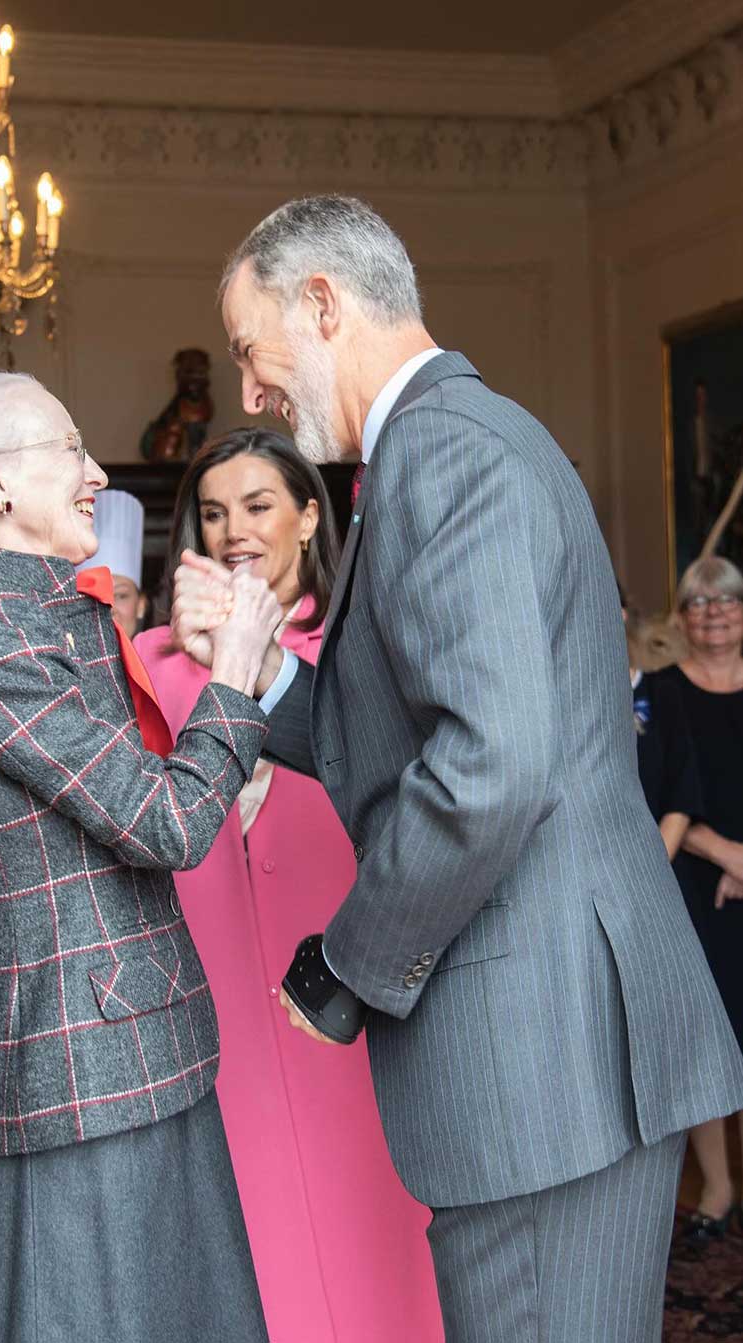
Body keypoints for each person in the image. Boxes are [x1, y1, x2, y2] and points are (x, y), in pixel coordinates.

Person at [170, 195, 743, 1343]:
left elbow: (488, 766)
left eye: (250, 349)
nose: (249, 395)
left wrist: (348, 962)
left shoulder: (441, 450)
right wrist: (254, 670)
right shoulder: (454, 440)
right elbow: (416, 729)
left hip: (542, 1055)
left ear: (323, 304)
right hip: (556, 1048)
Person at [0, 369, 279, 1343]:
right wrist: (235, 673)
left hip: (114, 1044)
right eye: (69, 447)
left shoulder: (31, 610)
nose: (96, 470)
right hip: (74, 1068)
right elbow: (172, 821)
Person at [136, 427, 443, 1342]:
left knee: (380, 1229)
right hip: (217, 1004)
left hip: (350, 996)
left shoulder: (366, 650)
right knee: (252, 1246)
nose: (235, 530)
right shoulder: (153, 662)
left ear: (310, 515)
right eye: (216, 511)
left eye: (259, 505)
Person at [654, 557, 743, 1245]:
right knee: (703, 1038)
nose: (714, 611)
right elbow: (661, 796)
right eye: (699, 601)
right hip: (691, 882)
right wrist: (727, 855)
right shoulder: (661, 691)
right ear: (681, 616)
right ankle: (716, 1184)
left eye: (727, 599)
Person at [620, 583, 703, 860]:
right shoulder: (564, 700)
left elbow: (682, 792)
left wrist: (647, 873)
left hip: (656, 868)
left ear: (621, 614)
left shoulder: (661, 689)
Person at [75, 488, 148, 637]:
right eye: (95, 597)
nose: (110, 608)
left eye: (121, 595)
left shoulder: (153, 660)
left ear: (141, 605)